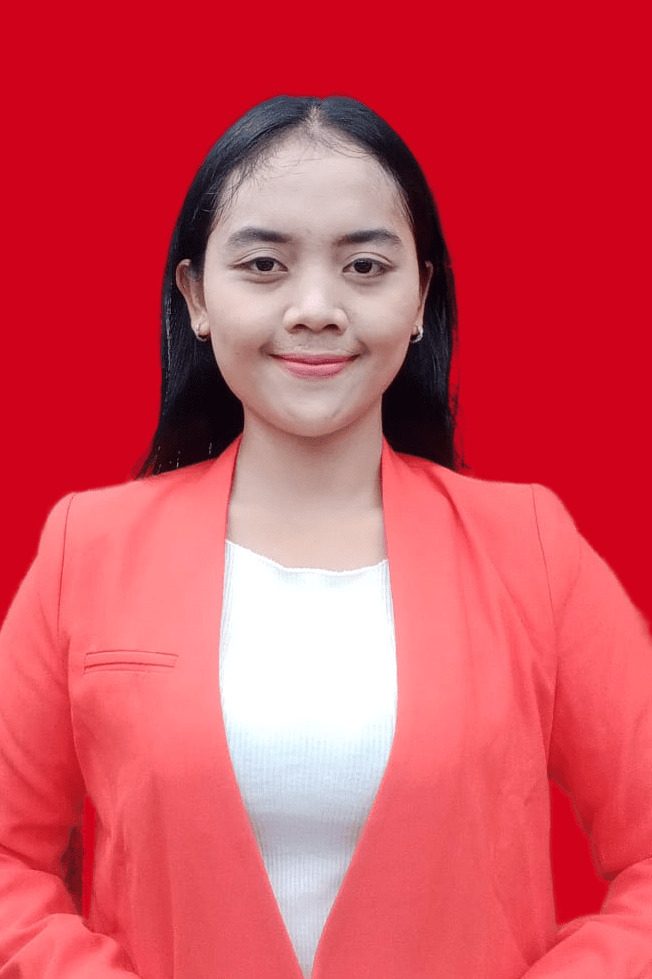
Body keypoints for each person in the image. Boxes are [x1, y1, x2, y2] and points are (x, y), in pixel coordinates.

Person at [0, 95, 650, 979]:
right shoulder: (88, 549)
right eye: (264, 264)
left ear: (420, 296)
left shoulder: (531, 548)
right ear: (197, 296)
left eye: (365, 266)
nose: (315, 307)